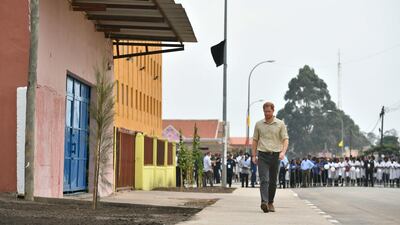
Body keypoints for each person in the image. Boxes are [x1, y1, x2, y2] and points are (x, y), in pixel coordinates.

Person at [252, 102, 289, 213]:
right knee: (264, 180)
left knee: (273, 181)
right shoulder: (259, 124)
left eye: (269, 111)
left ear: (273, 111)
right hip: (262, 155)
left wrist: (283, 152)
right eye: (265, 111)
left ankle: (270, 202)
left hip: (276, 155)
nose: (267, 113)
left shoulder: (280, 124)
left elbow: (285, 139)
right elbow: (255, 140)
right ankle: (264, 201)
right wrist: (254, 155)